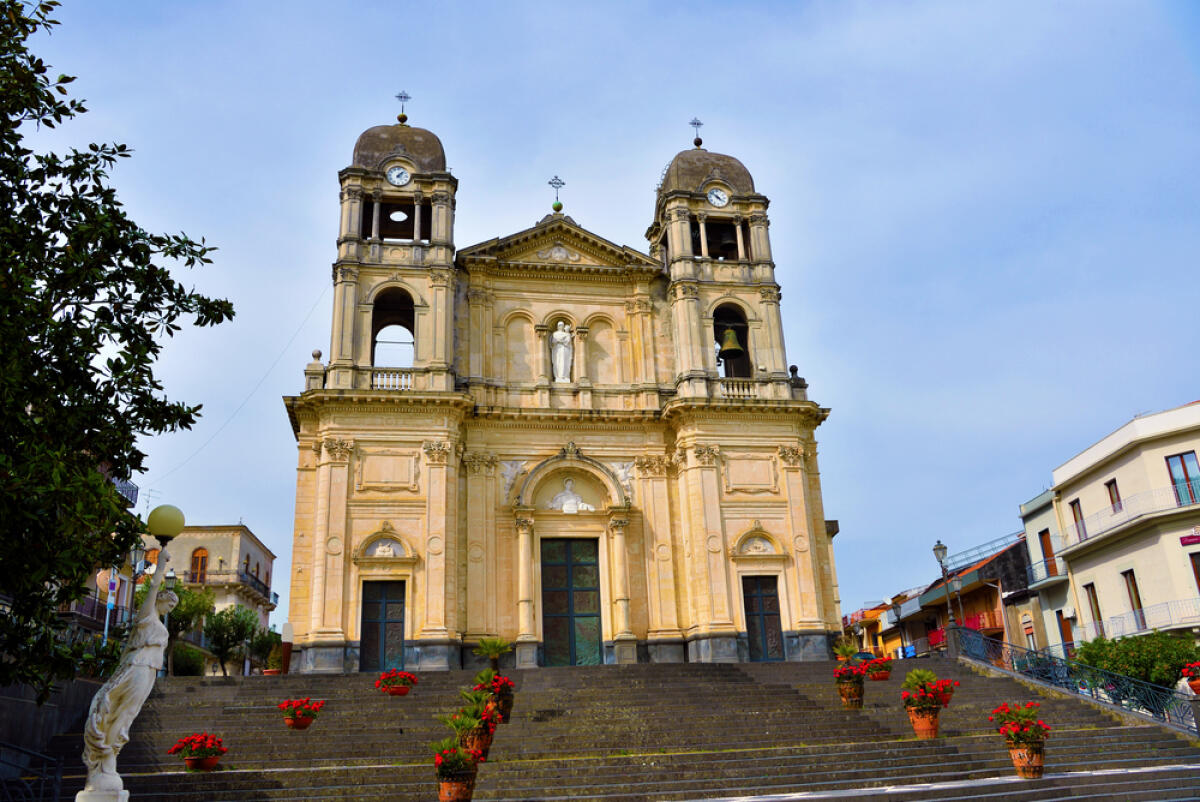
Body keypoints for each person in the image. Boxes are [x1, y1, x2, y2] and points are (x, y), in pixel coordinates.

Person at [80, 552, 178, 794]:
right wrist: (162, 564)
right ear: (161, 599)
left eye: (174, 606)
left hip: (150, 670)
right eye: (170, 603)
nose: (171, 608)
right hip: (139, 666)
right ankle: (104, 760)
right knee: (120, 713)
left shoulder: (159, 622)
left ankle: (108, 758)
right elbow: (153, 586)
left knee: (128, 714)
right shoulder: (147, 615)